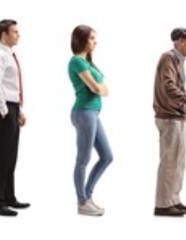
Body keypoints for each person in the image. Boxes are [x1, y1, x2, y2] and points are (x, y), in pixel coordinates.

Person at [151, 27, 186, 217]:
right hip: (168, 116)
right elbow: (168, 85)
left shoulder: (179, 61)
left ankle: (174, 199)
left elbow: (176, 87)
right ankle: (163, 204)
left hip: (178, 116)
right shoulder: (168, 58)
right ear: (180, 41)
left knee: (179, 161)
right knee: (170, 161)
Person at [0, 19, 31, 217]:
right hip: (3, 109)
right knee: (1, 158)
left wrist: (18, 111)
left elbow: (12, 87)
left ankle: (9, 197)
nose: (18, 34)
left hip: (12, 108)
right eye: (14, 31)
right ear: (4, 34)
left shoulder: (11, 56)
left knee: (11, 157)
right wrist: (4, 111)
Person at [67, 25, 113, 217]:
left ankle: (87, 196)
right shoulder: (76, 62)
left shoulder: (89, 63)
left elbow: (106, 90)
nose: (95, 42)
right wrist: (99, 88)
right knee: (83, 159)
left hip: (93, 113)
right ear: (82, 40)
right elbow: (97, 89)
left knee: (107, 156)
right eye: (92, 38)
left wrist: (100, 88)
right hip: (84, 112)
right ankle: (82, 202)